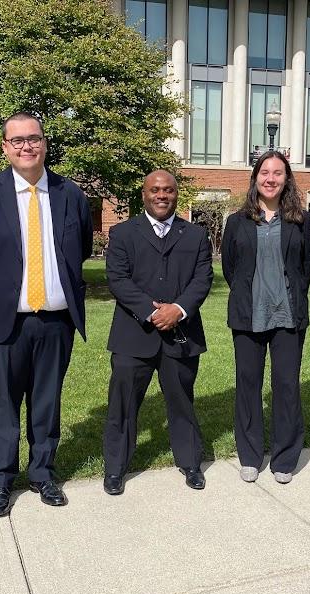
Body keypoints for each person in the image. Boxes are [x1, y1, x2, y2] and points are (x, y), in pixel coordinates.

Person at [0, 111, 93, 517]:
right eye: (17, 140)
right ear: (4, 147)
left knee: (47, 402)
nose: (26, 146)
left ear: (45, 144)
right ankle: (1, 481)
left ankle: (42, 474)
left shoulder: (71, 195)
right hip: (2, 323)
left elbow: (79, 248)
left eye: (33, 138)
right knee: (4, 403)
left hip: (55, 321)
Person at [102, 170, 214, 495]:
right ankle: (115, 468)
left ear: (177, 195)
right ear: (144, 195)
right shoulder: (123, 233)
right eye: (155, 190)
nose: (161, 195)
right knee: (122, 404)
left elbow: (202, 279)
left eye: (167, 190)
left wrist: (177, 309)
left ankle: (190, 462)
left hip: (181, 333)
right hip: (132, 336)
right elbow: (117, 279)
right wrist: (152, 312)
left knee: (182, 401)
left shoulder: (195, 235)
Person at [220, 151, 310, 484]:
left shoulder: (302, 221)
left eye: (278, 172)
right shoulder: (236, 221)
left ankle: (284, 457)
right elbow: (230, 269)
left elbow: (305, 270)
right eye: (265, 172)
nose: (271, 178)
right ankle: (249, 455)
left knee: (287, 386)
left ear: (287, 179)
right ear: (255, 178)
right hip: (248, 315)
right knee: (248, 385)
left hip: (288, 316)